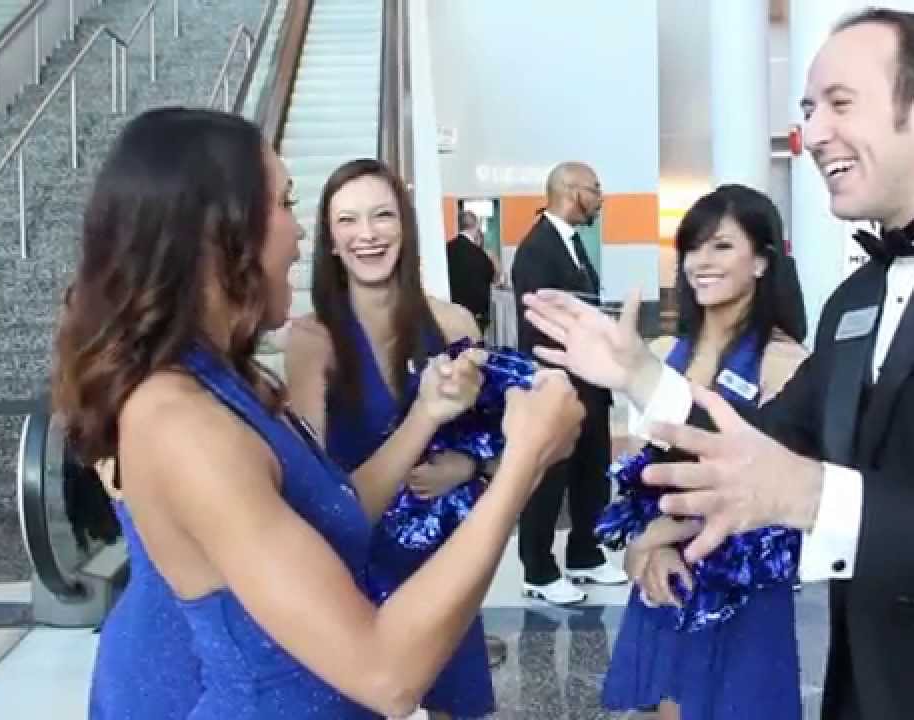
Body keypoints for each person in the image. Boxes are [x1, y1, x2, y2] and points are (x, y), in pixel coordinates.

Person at [521, 10, 914, 720]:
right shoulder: (855, 299)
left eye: (840, 104)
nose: (812, 134)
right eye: (809, 110)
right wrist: (639, 376)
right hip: (865, 690)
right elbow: (770, 442)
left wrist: (814, 497)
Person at [59, 107, 584, 719]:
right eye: (285, 204)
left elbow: (327, 511)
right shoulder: (181, 420)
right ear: (220, 234)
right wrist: (524, 461)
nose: (301, 234)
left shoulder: (229, 379)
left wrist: (428, 415)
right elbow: (386, 673)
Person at [283, 158, 495, 718]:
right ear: (330, 240)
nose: (368, 234)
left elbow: (502, 443)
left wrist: (467, 468)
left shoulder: (454, 326)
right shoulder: (311, 340)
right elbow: (311, 487)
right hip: (357, 569)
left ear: (405, 225)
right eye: (349, 221)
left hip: (441, 566)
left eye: (382, 216)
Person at [600, 185, 807, 720]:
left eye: (721, 247)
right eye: (692, 248)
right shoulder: (668, 354)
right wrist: (648, 545)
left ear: (762, 261)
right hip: (664, 577)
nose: (700, 262)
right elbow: (644, 475)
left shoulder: (783, 362)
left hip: (740, 591)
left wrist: (664, 538)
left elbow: (776, 497)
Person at [509, 161, 627, 605]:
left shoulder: (575, 245)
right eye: (595, 190)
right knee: (551, 477)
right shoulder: (537, 249)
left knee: (591, 473)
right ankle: (538, 569)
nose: (600, 198)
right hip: (557, 382)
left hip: (591, 382)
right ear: (571, 191)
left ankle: (584, 553)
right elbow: (541, 320)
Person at [447, 210, 497, 333]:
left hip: (452, 311)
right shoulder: (479, 253)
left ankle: (457, 351)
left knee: (456, 345)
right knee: (474, 347)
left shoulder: (447, 249)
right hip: (475, 315)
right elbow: (492, 275)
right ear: (476, 226)